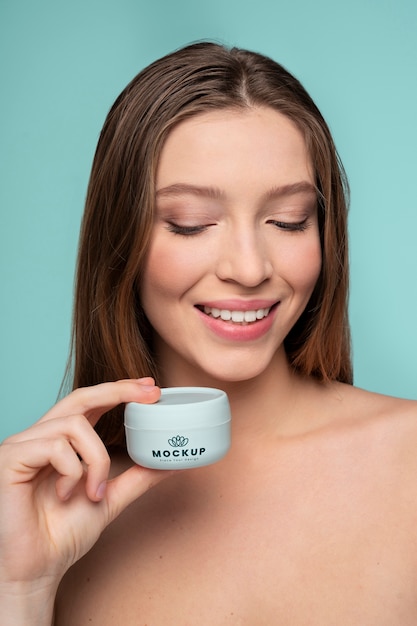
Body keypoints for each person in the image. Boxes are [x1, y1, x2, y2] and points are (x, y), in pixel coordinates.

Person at [1, 41, 416, 625]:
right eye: (191, 225)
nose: (249, 269)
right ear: (119, 239)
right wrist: (20, 590)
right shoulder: (47, 517)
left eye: (288, 220)